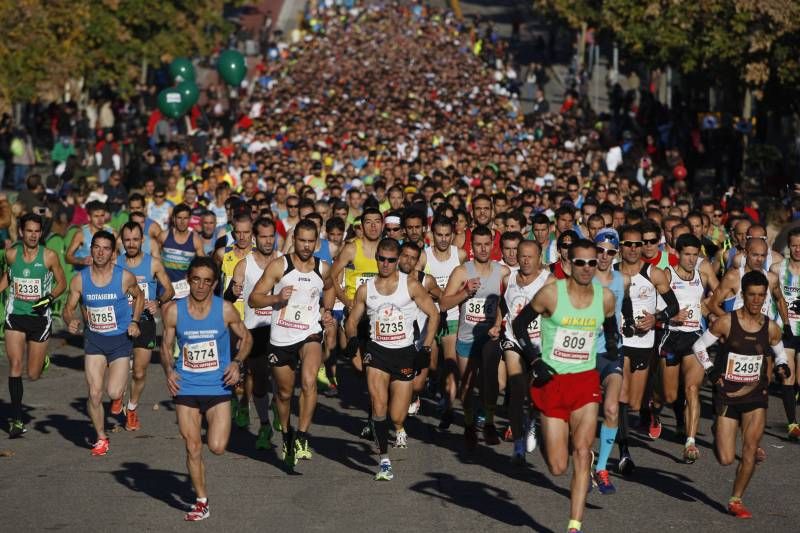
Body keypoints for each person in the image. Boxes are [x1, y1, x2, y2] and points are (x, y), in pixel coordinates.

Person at [512, 238, 620, 533]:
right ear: (569, 264)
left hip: (585, 382)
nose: (587, 268)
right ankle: (537, 418)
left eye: (592, 262)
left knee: (582, 452)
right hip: (553, 382)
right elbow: (519, 325)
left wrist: (611, 343)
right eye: (580, 262)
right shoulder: (551, 294)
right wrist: (534, 360)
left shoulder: (605, 297)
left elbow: (610, 323)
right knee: (558, 467)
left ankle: (574, 525)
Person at [691, 270, 790, 519]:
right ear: (743, 295)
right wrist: (712, 373)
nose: (757, 300)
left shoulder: (771, 327)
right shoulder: (726, 322)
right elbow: (699, 346)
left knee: (750, 449)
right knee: (725, 458)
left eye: (761, 295)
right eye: (752, 295)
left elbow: (779, 353)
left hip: (756, 394)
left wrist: (781, 365)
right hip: (727, 394)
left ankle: (736, 499)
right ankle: (717, 430)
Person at [160, 256, 252, 521]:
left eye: (207, 281)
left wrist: (236, 363)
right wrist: (169, 371)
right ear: (189, 279)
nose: (200, 286)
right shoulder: (174, 311)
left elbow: (246, 338)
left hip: (218, 385)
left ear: (214, 284)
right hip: (186, 385)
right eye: (196, 279)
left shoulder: (224, 310)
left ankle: (229, 412)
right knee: (192, 446)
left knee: (217, 446)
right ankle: (201, 501)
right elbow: (165, 346)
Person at [344, 238, 439, 480]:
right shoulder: (367, 289)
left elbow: (433, 314)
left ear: (397, 261)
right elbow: (352, 320)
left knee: (397, 415)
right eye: (381, 259)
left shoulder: (411, 285)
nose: (385, 264)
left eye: (391, 260)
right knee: (378, 405)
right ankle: (384, 460)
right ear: (376, 258)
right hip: (377, 353)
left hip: (404, 353)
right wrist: (353, 340)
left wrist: (426, 349)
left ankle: (397, 428)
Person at [248, 219, 335, 470]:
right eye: (302, 241)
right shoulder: (280, 266)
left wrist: (326, 311)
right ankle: (286, 433)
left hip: (310, 333)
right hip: (282, 336)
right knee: (284, 394)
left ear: (316, 242)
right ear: (294, 240)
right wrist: (276, 297)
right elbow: (254, 299)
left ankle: (302, 436)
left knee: (309, 381)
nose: (306, 246)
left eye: (311, 242)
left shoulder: (323, 268)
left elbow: (330, 288)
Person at [63, 230, 144, 456]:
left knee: (113, 391)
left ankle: (120, 395)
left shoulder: (124, 277)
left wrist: (135, 321)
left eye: (106, 248)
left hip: (119, 341)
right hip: (94, 340)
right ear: (91, 250)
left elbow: (139, 297)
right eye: (96, 247)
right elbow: (68, 308)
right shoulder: (80, 279)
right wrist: (70, 320)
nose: (100, 252)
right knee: (95, 393)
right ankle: (101, 437)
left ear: (112, 253)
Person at [615, 224, 679, 474]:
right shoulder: (610, 274)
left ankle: (647, 410)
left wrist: (656, 318)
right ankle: (624, 452)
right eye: (627, 244)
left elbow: (673, 306)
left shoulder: (654, 273)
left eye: (637, 244)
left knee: (632, 401)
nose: (632, 249)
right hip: (619, 343)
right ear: (620, 247)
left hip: (644, 343)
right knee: (620, 398)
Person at [439, 225, 509, 449]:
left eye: (486, 244)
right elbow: (443, 303)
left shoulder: (502, 272)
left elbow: (507, 304)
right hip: (467, 337)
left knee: (495, 381)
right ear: (471, 246)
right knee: (467, 385)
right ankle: (469, 424)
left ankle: (488, 422)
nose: (482, 248)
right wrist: (465, 292)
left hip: (490, 336)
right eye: (477, 244)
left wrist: (498, 323)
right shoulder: (462, 272)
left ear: (492, 245)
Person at [1, 213, 67, 437]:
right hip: (16, 316)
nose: (32, 235)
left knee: (33, 373)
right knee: (15, 365)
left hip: (40, 319)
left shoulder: (49, 256)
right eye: (29, 231)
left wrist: (49, 298)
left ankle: (42, 361)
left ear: (41, 233)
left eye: (37, 231)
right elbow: (8, 278)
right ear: (21, 232)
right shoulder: (11, 255)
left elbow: (62, 283)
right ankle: (17, 419)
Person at [658, 234, 717, 462]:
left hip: (694, 338)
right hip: (671, 336)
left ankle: (690, 442)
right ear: (678, 254)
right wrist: (669, 317)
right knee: (669, 393)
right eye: (687, 254)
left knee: (693, 389)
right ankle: (653, 406)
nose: (692, 259)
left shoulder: (702, 277)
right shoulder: (666, 275)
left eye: (695, 255)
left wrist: (710, 312)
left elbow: (715, 298)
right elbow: (653, 306)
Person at [494, 239, 551, 463]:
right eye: (522, 255)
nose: (526, 260)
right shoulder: (508, 279)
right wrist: (496, 322)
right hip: (513, 340)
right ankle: (518, 444)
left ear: (539, 258)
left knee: (536, 394)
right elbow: (502, 304)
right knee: (516, 389)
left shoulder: (550, 281)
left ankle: (533, 421)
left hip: (538, 344)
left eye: (531, 256)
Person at [229, 217, 281, 449]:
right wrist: (233, 290)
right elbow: (228, 299)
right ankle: (264, 425)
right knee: (259, 380)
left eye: (271, 236)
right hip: (254, 330)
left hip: (281, 329)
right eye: (263, 236)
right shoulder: (244, 265)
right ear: (254, 238)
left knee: (282, 379)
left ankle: (280, 408)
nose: (268, 241)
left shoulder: (283, 261)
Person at [116, 221, 174, 431]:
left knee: (139, 372)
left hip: (145, 322)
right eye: (127, 240)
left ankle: (131, 408)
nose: (131, 244)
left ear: (142, 240)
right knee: (118, 368)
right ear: (122, 242)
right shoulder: (115, 263)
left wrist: (157, 301)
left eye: (135, 239)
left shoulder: (153, 264)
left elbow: (169, 290)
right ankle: (117, 396)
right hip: (120, 321)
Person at [589, 230, 631, 493]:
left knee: (612, 409)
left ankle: (602, 467)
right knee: (584, 414)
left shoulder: (622, 279)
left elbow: (623, 310)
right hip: (584, 353)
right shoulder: (582, 277)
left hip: (612, 352)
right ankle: (586, 457)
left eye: (610, 252)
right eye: (600, 250)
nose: (604, 256)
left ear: (616, 254)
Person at [418, 217, 467, 427]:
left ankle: (448, 407)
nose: (444, 239)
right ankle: (434, 384)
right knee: (430, 364)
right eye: (439, 235)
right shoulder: (424, 256)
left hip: (453, 318)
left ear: (453, 234)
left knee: (450, 363)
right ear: (431, 234)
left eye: (448, 235)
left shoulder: (460, 255)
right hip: (429, 318)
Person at [396, 241, 442, 418]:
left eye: (413, 258)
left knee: (416, 385)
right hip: (399, 339)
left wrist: (432, 296)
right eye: (405, 256)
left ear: (417, 261)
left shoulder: (426, 280)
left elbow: (443, 298)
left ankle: (414, 396)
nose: (408, 261)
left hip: (421, 340)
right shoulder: (390, 277)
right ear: (399, 256)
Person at [770, 226, 800, 439]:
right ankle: (793, 424)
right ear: (788, 246)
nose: (798, 249)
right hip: (786, 329)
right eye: (794, 245)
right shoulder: (777, 269)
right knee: (787, 377)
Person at [159, 204, 205, 299]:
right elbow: (154, 259)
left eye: (185, 218)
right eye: (179, 218)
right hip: (165, 286)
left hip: (185, 288)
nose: (182, 222)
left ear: (190, 219)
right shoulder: (163, 236)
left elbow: (203, 265)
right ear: (173, 219)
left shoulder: (196, 240)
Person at [65, 201, 112, 271]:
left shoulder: (111, 233)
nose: (100, 220)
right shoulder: (81, 234)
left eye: (102, 215)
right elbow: (67, 257)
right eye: (96, 216)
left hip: (103, 277)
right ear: (89, 217)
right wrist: (82, 260)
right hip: (83, 277)